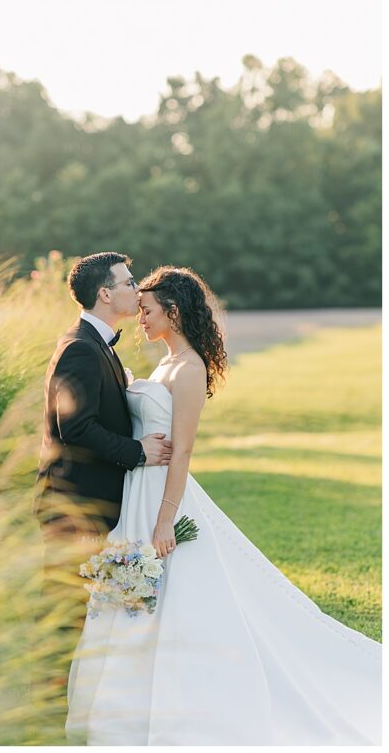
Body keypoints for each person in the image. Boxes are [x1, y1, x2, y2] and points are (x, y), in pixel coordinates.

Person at [66, 266, 381, 745]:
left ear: (173, 311)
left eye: (149, 311)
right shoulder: (164, 365)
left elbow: (184, 451)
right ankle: (129, 705)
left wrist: (165, 519)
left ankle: (184, 704)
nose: (142, 319)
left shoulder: (189, 369)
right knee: (137, 601)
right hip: (137, 492)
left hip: (160, 499)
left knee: (174, 598)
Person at [36, 252, 172, 537]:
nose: (138, 290)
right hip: (75, 506)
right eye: (130, 283)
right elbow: (76, 428)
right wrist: (138, 451)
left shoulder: (95, 341)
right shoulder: (80, 348)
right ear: (105, 294)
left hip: (92, 505)